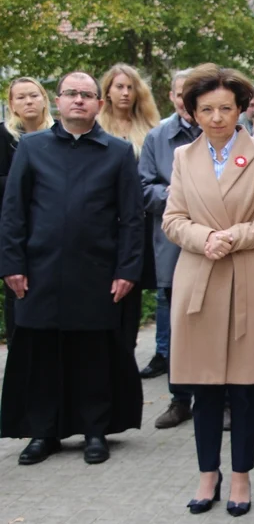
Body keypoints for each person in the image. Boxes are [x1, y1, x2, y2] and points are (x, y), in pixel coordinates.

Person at [162, 63, 254, 516]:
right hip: (199, 275)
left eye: (225, 108)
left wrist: (233, 236)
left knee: (243, 387)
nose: (217, 117)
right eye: (206, 109)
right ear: (192, 112)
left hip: (248, 274)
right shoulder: (182, 158)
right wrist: (205, 239)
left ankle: (240, 476)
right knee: (203, 386)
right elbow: (172, 219)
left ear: (241, 109)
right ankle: (206, 473)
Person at [0, 71, 144, 465]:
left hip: (98, 272)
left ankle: (95, 431)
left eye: (87, 94)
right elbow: (13, 211)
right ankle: (42, 433)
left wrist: (128, 269)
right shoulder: (31, 147)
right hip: (38, 271)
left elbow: (132, 218)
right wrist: (11, 263)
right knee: (42, 354)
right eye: (71, 94)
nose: (78, 100)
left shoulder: (117, 151)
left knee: (93, 355)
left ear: (99, 103)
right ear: (58, 101)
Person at [138, 68, 203, 429]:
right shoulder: (157, 137)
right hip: (172, 247)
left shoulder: (225, 131)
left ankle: (220, 400)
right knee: (176, 329)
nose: (185, 99)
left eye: (192, 92)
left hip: (216, 245)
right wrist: (184, 196)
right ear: (172, 97)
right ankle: (179, 400)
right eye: (180, 93)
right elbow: (144, 189)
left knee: (215, 325)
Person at [98, 64, 161, 358]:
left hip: (141, 219)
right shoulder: (96, 126)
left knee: (133, 290)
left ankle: (127, 355)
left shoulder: (150, 128)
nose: (124, 93)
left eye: (130, 87)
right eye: (118, 86)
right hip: (103, 219)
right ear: (107, 91)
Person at [0, 77, 54, 343]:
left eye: (33, 95)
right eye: (20, 97)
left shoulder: (60, 134)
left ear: (44, 99)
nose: (28, 101)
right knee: (17, 295)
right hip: (15, 231)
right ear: (11, 104)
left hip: (50, 231)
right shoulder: (3, 136)